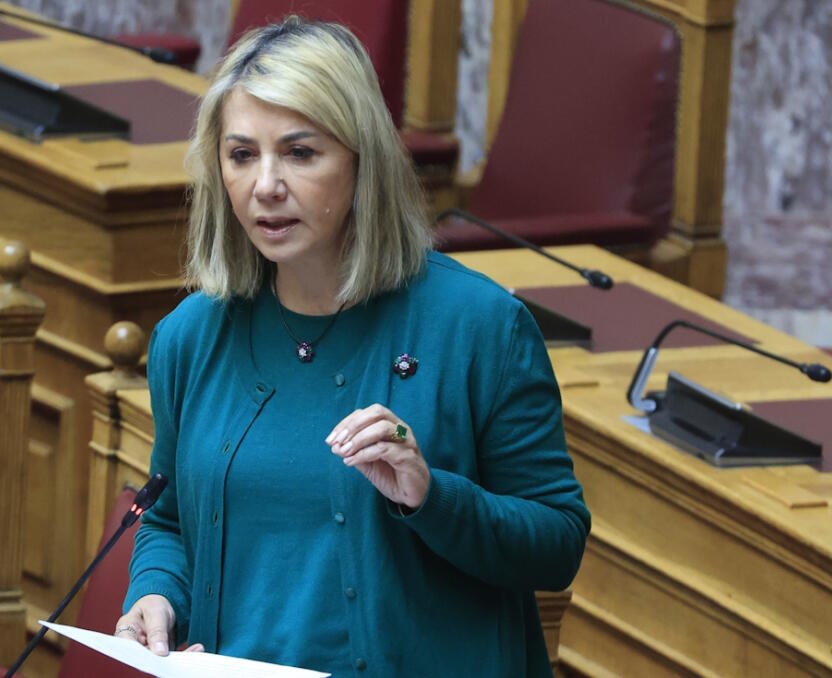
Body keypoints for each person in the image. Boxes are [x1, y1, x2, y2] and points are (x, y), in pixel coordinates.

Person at [116, 16, 590, 677]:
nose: (265, 185)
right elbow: (167, 520)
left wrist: (431, 495)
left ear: (362, 159)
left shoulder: (481, 328)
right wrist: (155, 593)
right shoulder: (190, 338)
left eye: (300, 153)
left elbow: (558, 543)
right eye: (242, 155)